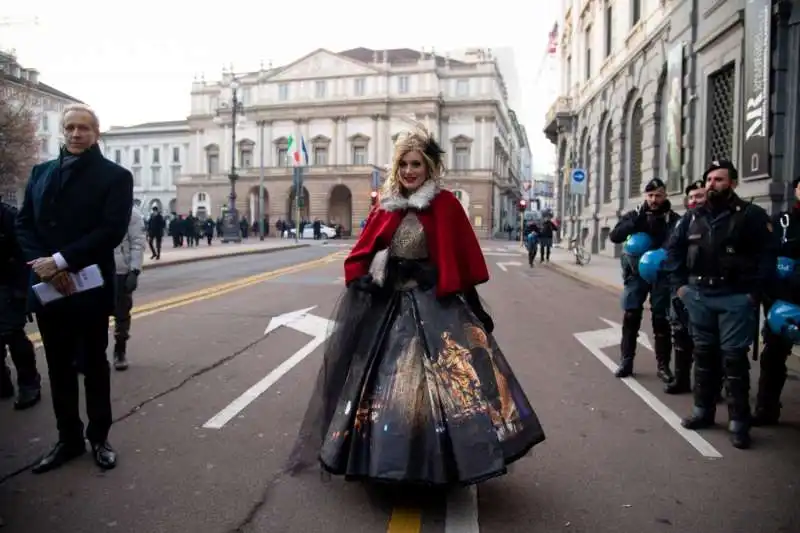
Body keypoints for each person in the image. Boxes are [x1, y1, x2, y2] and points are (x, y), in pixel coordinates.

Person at [287, 127, 545, 486]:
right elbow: (363, 251)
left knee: (443, 386)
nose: (410, 171)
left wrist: (468, 302)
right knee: (389, 386)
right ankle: (387, 460)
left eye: (417, 165)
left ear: (429, 168)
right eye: (404, 164)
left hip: (434, 304)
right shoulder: (387, 205)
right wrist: (368, 275)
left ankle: (434, 463)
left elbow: (460, 260)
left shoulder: (445, 205)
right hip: (389, 308)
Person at [16, 103, 134, 472]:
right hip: (50, 286)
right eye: (70, 127)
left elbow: (111, 230)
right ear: (62, 131)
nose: (76, 133)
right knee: (57, 365)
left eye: (84, 127)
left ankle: (99, 437)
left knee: (93, 363)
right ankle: (68, 438)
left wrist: (63, 260)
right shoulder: (40, 172)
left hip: (89, 285)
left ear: (96, 133)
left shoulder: (115, 176)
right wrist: (45, 267)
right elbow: (24, 225)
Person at [665, 160, 775, 449]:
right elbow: (673, 251)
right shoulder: (690, 218)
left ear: (733, 183)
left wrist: (754, 293)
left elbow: (767, 256)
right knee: (703, 355)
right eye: (709, 179)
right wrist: (680, 287)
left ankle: (739, 421)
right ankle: (703, 411)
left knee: (733, 359)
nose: (713, 184)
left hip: (735, 298)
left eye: (720, 179)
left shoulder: (751, 215)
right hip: (699, 296)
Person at [609, 178, 681, 381]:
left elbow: (678, 244)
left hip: (660, 275)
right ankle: (626, 362)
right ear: (645, 196)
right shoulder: (635, 215)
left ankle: (663, 366)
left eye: (658, 195)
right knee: (631, 316)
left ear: (665, 195)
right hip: (636, 276)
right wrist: (635, 222)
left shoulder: (673, 219)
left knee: (661, 320)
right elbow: (615, 236)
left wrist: (664, 252)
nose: (654, 199)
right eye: (650, 195)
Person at [753, 176, 800, 425]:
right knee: (773, 356)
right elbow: (768, 258)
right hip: (782, 300)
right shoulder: (782, 222)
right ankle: (766, 408)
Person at [664, 180, 707, 395]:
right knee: (680, 334)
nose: (694, 201)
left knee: (706, 340)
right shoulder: (684, 222)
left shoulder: (719, 220)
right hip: (685, 286)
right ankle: (681, 379)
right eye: (690, 197)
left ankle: (709, 387)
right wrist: (678, 285)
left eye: (699, 196)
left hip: (709, 288)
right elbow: (672, 252)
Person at [0, 199, 41, 410]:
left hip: (8, 284)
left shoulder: (9, 216)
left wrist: (21, 290)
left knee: (12, 333)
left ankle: (29, 382)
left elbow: (25, 253)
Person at [113, 206, 145, 370]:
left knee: (122, 313)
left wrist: (134, 270)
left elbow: (138, 242)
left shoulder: (131, 213)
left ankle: (120, 349)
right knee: (92, 315)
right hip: (97, 270)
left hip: (121, 270)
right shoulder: (94, 205)